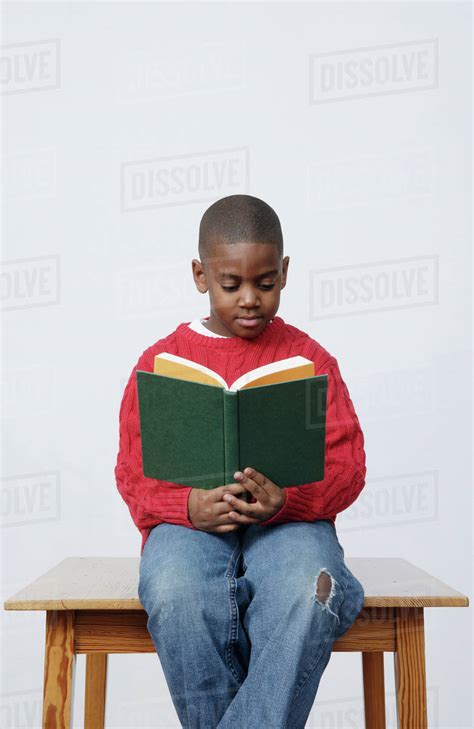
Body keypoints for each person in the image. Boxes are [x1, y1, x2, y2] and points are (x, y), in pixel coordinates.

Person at [115, 194, 366, 729]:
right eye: (232, 285)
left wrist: (288, 501)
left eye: (266, 283)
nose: (250, 299)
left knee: (311, 587)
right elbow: (132, 472)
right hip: (189, 525)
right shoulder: (160, 363)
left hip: (288, 523)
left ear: (285, 272)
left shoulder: (310, 361)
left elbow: (348, 468)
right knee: (176, 591)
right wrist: (187, 504)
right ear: (200, 275)